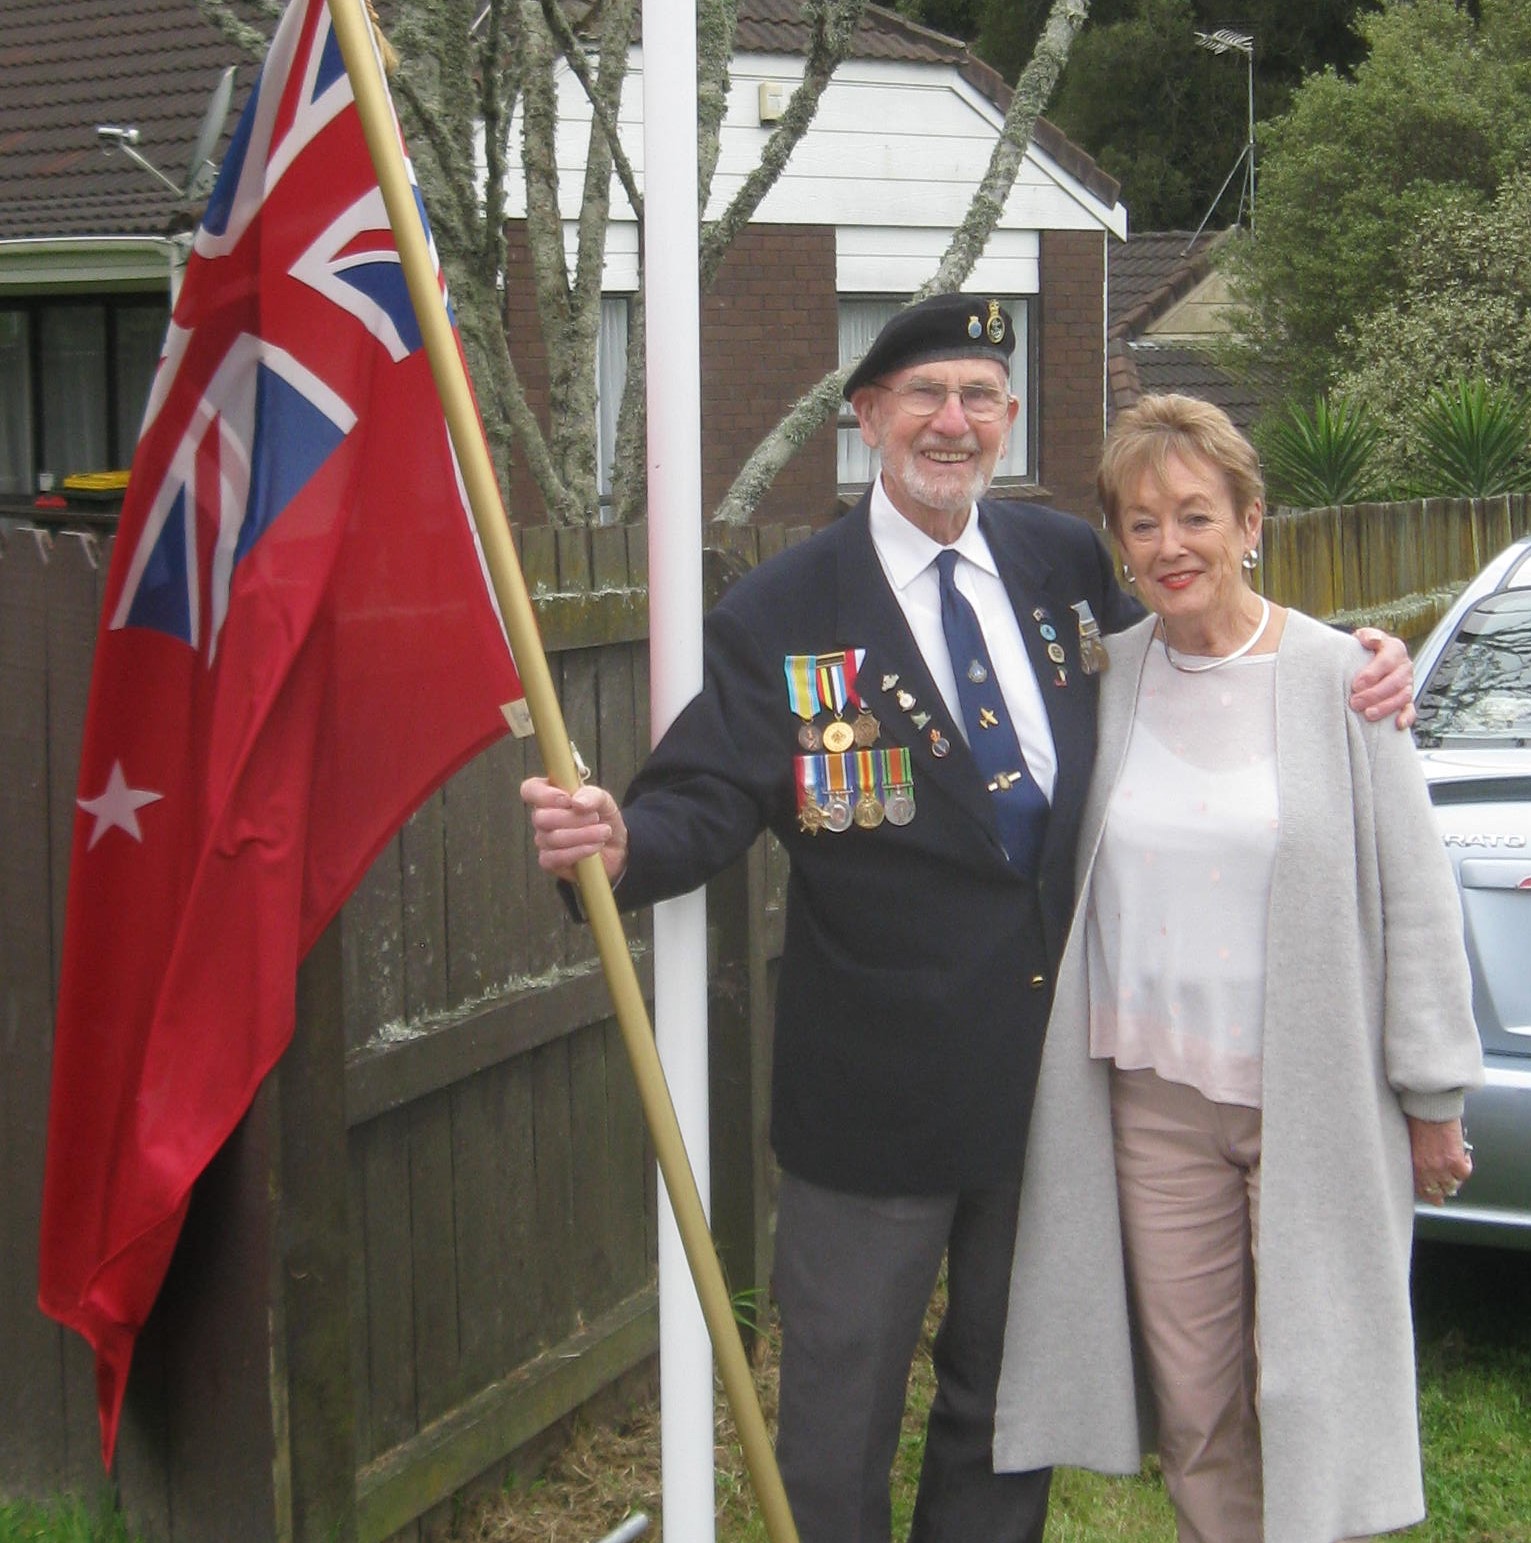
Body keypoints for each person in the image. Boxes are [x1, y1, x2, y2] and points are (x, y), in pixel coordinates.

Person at [521, 303, 1412, 1542]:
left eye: (980, 394)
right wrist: (614, 848)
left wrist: (1352, 660)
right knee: (840, 1416)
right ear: (867, 418)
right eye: (925, 393)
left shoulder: (1060, 565)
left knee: (1005, 1406)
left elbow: (1203, 654)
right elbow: (701, 797)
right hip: (872, 1105)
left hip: (1046, 1093)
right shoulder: (785, 607)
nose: (954, 420)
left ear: (1004, 420)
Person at [993, 394, 1484, 1543]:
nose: (1171, 547)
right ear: (1119, 544)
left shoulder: (1342, 680)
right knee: (1199, 1405)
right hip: (1152, 1107)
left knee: (1311, 1393)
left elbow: (1414, 899)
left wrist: (1433, 1098)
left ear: (1252, 522)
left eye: (1197, 516)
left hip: (1312, 1098)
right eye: (1144, 524)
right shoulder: (1098, 683)